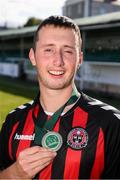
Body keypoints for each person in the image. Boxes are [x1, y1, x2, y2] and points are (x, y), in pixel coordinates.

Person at [0, 15, 120, 179]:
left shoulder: (111, 123)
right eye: (48, 49)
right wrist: (14, 174)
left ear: (80, 59)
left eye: (68, 51)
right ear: (33, 56)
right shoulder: (14, 120)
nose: (58, 61)